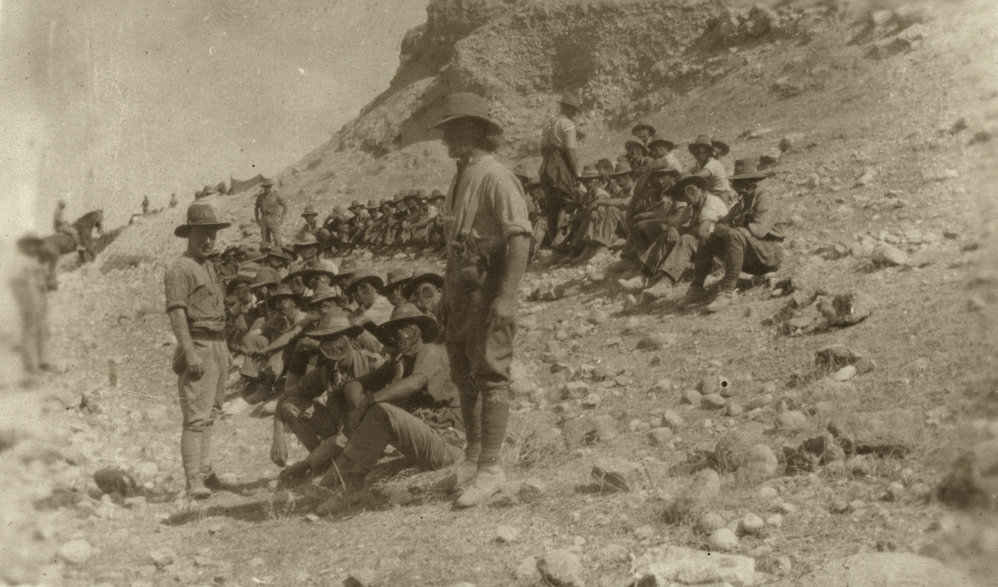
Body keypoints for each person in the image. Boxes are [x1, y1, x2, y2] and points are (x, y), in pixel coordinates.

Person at [430, 92, 531, 507]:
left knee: (490, 375)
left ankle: (490, 468)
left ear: (474, 130)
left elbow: (520, 236)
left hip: (488, 290)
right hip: (461, 291)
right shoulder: (460, 177)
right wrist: (445, 294)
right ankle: (472, 460)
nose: (445, 140)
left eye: (452, 130)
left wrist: (506, 297)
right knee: (464, 376)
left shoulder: (495, 176)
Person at [314, 304, 463, 515]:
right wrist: (359, 410)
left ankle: (353, 489)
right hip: (424, 441)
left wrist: (367, 404)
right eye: (397, 330)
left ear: (420, 330)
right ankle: (328, 483)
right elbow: (354, 385)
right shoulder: (400, 361)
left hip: (449, 444)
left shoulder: (430, 351)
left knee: (381, 411)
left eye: (409, 328)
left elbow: (414, 384)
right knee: (377, 413)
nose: (402, 335)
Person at [164, 203, 231, 499]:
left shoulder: (208, 266)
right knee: (195, 416)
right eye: (203, 234)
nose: (208, 240)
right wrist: (190, 352)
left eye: (212, 235)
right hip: (199, 344)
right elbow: (178, 313)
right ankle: (193, 479)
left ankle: (205, 470)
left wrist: (224, 350)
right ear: (189, 234)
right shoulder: (180, 268)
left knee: (212, 411)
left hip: (217, 343)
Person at [271, 310, 369, 473]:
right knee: (290, 405)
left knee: (306, 467)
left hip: (368, 435)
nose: (333, 346)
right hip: (341, 434)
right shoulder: (328, 371)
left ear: (349, 339)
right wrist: (278, 436)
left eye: (338, 339)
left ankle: (319, 461)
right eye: (326, 342)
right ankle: (324, 460)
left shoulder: (371, 363)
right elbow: (285, 397)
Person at [683, 158, 786, 312]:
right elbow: (721, 223)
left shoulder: (765, 198)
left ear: (751, 182)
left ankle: (727, 292)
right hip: (750, 254)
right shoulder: (741, 203)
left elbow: (758, 230)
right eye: (735, 183)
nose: (735, 187)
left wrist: (727, 230)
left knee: (733, 235)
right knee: (706, 237)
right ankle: (696, 287)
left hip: (769, 254)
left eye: (740, 182)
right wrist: (720, 230)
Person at [619, 175, 728, 297]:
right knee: (667, 235)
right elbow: (676, 222)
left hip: (717, 256)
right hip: (703, 249)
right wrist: (672, 229)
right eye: (687, 193)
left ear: (701, 190)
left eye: (692, 191)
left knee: (685, 239)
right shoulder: (693, 205)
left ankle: (665, 284)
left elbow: (702, 231)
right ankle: (643, 277)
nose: (689, 196)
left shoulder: (711, 202)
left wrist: (680, 231)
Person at [607, 163, 682, 278]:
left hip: (676, 228)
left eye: (663, 176)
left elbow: (678, 217)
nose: (660, 180)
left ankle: (641, 266)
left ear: (672, 176)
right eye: (658, 176)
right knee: (639, 224)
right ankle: (630, 259)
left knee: (642, 226)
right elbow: (660, 210)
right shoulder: (663, 191)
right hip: (665, 224)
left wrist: (651, 218)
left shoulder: (678, 191)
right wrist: (649, 215)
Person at [10, 234, 59, 379]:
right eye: (32, 245)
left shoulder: (35, 261)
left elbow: (47, 283)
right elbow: (18, 286)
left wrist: (49, 281)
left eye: (36, 245)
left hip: (39, 301)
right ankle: (30, 365)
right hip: (30, 302)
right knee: (30, 330)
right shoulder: (19, 262)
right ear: (24, 246)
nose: (35, 248)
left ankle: (42, 362)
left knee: (41, 330)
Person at [539, 91, 581, 249]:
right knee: (568, 201)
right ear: (570, 110)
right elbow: (570, 150)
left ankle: (553, 242)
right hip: (559, 164)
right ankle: (561, 241)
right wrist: (576, 172)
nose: (575, 114)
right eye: (574, 111)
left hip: (546, 165)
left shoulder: (548, 125)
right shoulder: (567, 125)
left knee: (552, 205)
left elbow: (542, 149)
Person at [688, 134, 735, 204]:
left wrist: (685, 178)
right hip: (711, 197)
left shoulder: (713, 163)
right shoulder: (701, 165)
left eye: (700, 152)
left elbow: (697, 176)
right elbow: (690, 172)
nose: (697, 155)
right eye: (696, 153)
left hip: (720, 197)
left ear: (708, 152)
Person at [254, 178, 287, 248]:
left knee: (277, 240)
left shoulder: (276, 196)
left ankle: (279, 255)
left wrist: (282, 218)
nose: (267, 189)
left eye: (268, 187)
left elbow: (285, 206)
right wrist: (257, 220)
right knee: (265, 242)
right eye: (265, 187)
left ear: (271, 187)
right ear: (263, 188)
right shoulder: (260, 197)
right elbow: (256, 208)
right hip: (264, 220)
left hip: (274, 219)